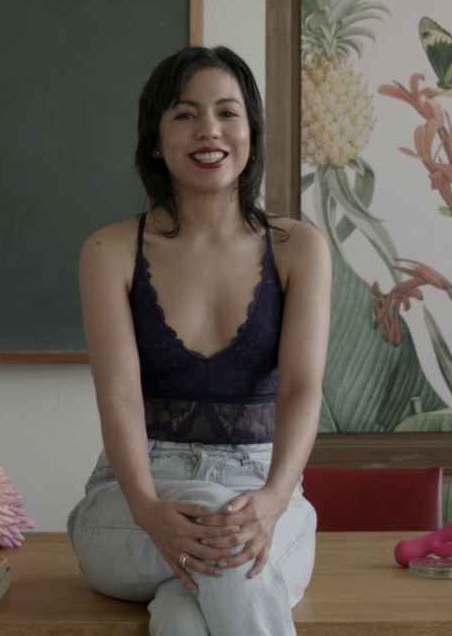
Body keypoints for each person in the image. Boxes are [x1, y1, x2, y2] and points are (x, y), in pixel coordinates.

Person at [66, 45, 332, 636]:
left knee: (185, 617)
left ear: (251, 132)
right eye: (185, 114)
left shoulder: (300, 248)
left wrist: (274, 499)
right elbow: (118, 395)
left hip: (264, 495)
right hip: (132, 501)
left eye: (227, 113)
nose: (209, 130)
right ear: (155, 141)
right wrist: (147, 509)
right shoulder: (109, 251)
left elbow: (302, 387)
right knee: (223, 538)